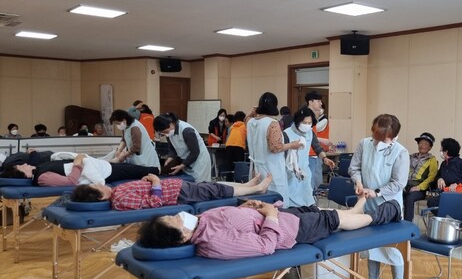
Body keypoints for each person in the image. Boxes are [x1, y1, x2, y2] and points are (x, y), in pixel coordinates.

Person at [138, 196, 402, 260]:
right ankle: (387, 212)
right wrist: (271, 215)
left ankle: (359, 205)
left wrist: (249, 207)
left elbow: (234, 217)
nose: (179, 215)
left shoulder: (202, 220)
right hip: (291, 230)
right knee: (334, 219)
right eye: (175, 220)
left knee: (328, 212)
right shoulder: (214, 241)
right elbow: (265, 246)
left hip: (282, 215)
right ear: (182, 237)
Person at [349, 114, 409, 279]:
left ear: (392, 137)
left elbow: (398, 183)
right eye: (376, 136)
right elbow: (354, 167)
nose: (379, 142)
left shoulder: (400, 152)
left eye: (384, 139)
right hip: (367, 203)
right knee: (371, 244)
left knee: (393, 249)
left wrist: (377, 192)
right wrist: (358, 182)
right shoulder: (364, 144)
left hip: (389, 206)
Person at [72, 172, 272, 210]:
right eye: (97, 187)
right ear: (100, 197)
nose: (101, 184)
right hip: (179, 194)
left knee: (213, 186)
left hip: (177, 187)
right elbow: (155, 203)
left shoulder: (117, 191)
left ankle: (248, 186)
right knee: (216, 190)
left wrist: (147, 181)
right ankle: (257, 188)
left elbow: (144, 192)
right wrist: (155, 182)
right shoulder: (119, 200)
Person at [247, 92, 304, 207]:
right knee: (275, 201)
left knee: (257, 202)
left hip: (256, 168)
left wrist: (252, 112)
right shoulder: (272, 123)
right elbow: (275, 147)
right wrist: (292, 145)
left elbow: (247, 118)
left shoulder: (250, 122)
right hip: (271, 169)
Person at [1, 153, 158, 186]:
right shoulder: (42, 177)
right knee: (138, 171)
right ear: (23, 174)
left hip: (97, 166)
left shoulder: (39, 169)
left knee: (138, 168)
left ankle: (161, 170)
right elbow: (71, 181)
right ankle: (162, 172)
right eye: (21, 166)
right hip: (99, 173)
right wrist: (78, 162)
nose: (25, 164)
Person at [153, 113, 211, 182]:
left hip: (199, 162)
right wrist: (170, 158)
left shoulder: (187, 131)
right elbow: (173, 149)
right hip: (187, 162)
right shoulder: (169, 133)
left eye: (165, 132)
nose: (165, 134)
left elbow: (195, 152)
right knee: (189, 184)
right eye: (163, 133)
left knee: (199, 184)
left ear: (171, 125)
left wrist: (182, 165)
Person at [426, 138, 462, 207]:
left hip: (459, 193)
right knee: (431, 203)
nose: (440, 150)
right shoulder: (444, 163)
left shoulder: (461, 163)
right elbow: (438, 175)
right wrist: (440, 179)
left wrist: (457, 184)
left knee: (434, 203)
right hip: (446, 192)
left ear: (446, 151)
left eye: (441, 149)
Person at [284, 107, 318, 207]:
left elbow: (317, 147)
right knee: (292, 201)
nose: (307, 125)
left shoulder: (310, 133)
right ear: (298, 121)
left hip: (305, 172)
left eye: (309, 123)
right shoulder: (287, 133)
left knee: (307, 200)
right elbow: (282, 154)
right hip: (290, 173)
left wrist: (325, 158)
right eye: (304, 122)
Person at [403, 132, 438, 221]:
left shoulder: (432, 160)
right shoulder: (410, 157)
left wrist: (419, 187)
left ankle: (407, 224)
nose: (423, 146)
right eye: (421, 143)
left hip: (419, 188)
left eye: (426, 144)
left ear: (430, 147)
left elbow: (432, 177)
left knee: (409, 198)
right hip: (405, 185)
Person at [306, 91, 335, 192]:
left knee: (316, 185)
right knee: (310, 186)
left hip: (316, 154)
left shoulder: (313, 117)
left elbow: (312, 137)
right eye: (318, 101)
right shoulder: (306, 116)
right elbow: (306, 135)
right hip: (309, 154)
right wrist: (322, 140)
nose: (321, 103)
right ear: (310, 102)